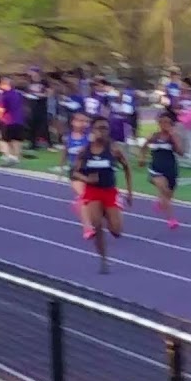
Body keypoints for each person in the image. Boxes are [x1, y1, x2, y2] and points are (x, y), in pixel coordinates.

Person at [73, 116, 133, 273]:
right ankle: (104, 260)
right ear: (92, 130)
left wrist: (129, 192)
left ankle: (108, 213)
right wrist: (87, 179)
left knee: (116, 232)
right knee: (97, 226)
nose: (102, 131)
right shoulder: (85, 152)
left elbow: (127, 168)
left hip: (109, 192)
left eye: (105, 128)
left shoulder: (114, 150)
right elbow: (74, 172)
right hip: (93, 192)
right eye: (99, 128)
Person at [138, 112, 185, 229]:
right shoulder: (153, 136)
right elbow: (143, 147)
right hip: (156, 169)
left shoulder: (173, 137)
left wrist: (173, 136)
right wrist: (142, 158)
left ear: (171, 124)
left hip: (170, 169)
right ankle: (171, 219)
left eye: (167, 122)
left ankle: (160, 201)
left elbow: (181, 152)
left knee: (169, 194)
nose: (164, 125)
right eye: (162, 122)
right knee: (164, 190)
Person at [59, 111, 92, 232]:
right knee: (84, 197)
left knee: (92, 198)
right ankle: (87, 227)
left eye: (85, 121)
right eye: (79, 121)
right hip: (75, 172)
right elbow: (65, 152)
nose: (82, 124)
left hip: (90, 170)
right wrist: (61, 167)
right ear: (73, 122)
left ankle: (78, 204)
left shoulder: (90, 137)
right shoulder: (67, 137)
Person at [0, 76, 26, 166]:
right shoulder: (18, 94)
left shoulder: (4, 95)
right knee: (16, 140)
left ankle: (8, 156)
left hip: (8, 120)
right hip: (19, 119)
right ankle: (16, 157)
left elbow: (1, 109)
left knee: (5, 140)